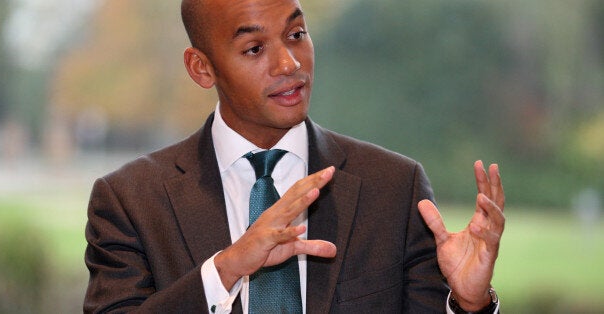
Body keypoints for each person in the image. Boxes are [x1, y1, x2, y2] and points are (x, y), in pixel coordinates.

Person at [83, 0, 505, 313]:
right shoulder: (129, 201)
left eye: (296, 35)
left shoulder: (394, 187)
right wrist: (225, 270)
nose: (288, 63)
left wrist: (469, 304)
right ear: (201, 68)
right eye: (254, 48)